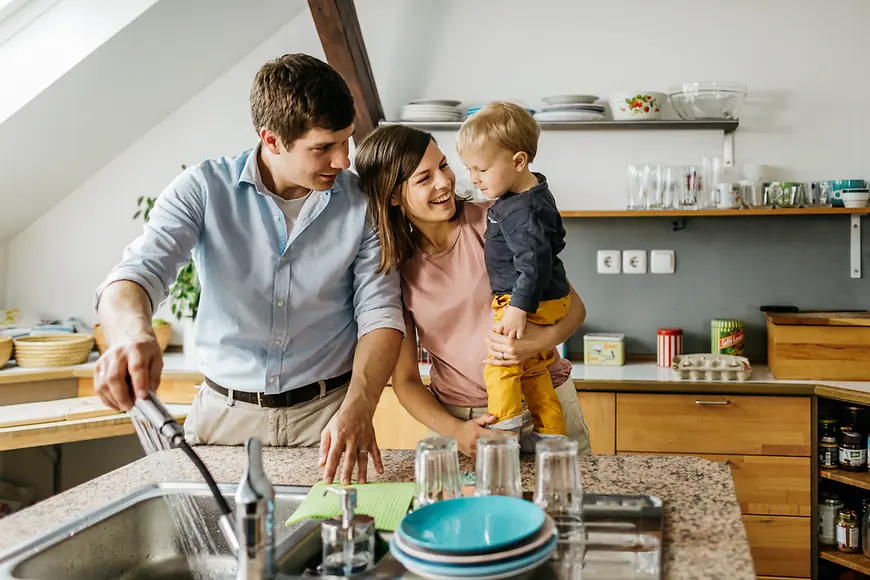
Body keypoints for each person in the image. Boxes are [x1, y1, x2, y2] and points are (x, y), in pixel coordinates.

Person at [92, 53, 404, 485]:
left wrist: (360, 406)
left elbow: (381, 313)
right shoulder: (203, 189)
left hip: (329, 419)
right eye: (324, 148)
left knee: (330, 548)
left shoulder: (362, 203)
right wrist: (132, 336)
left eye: (346, 141)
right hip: (223, 419)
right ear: (272, 140)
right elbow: (137, 274)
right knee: (217, 551)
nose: (343, 161)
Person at [355, 124, 591, 457]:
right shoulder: (393, 268)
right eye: (423, 179)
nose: (443, 182)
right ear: (392, 195)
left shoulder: (495, 223)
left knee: (566, 508)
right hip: (465, 423)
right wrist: (457, 431)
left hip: (544, 406)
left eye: (443, 166)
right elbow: (406, 380)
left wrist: (536, 343)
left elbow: (575, 309)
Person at [456, 101, 570, 439]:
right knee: (534, 372)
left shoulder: (523, 211)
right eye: (469, 169)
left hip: (522, 301)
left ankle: (504, 433)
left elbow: (533, 263)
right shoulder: (528, 195)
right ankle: (550, 434)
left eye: (481, 169)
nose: (474, 179)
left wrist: (518, 309)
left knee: (500, 368)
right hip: (544, 299)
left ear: (518, 161)